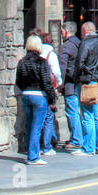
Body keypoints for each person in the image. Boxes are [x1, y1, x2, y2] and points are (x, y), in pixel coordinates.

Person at [15, 34, 56, 165]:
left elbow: (18, 81)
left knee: (30, 124)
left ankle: (30, 151)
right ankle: (33, 157)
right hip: (39, 95)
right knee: (36, 127)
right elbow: (46, 82)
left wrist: (26, 89)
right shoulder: (42, 62)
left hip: (26, 94)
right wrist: (51, 99)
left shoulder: (22, 62)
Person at [77, 20, 98, 155]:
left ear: (85, 31)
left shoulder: (85, 43)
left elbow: (80, 64)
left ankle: (88, 148)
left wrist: (81, 76)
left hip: (88, 82)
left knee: (87, 115)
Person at [34, 28, 62, 156]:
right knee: (49, 117)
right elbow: (56, 72)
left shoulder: (36, 54)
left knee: (38, 118)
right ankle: (47, 146)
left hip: (36, 89)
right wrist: (59, 83)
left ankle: (36, 145)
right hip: (49, 88)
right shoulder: (51, 55)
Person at [59, 21, 84, 152]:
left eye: (62, 31)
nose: (61, 33)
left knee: (71, 111)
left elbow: (62, 67)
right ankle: (76, 137)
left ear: (67, 31)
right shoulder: (79, 43)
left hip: (70, 83)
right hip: (79, 81)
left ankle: (76, 139)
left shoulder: (67, 46)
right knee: (76, 111)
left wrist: (59, 83)